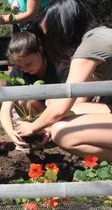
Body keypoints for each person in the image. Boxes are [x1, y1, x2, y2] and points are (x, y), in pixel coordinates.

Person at [15, 0, 112, 161]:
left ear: (64, 28)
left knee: (63, 133)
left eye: (49, 35)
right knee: (53, 106)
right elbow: (76, 100)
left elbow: (63, 106)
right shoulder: (101, 35)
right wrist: (47, 126)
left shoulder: (91, 46)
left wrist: (33, 126)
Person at [0, 31, 68, 151]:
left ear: (40, 50)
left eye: (29, 63)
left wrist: (49, 128)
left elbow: (69, 104)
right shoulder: (17, 73)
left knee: (52, 101)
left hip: (61, 113)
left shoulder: (59, 66)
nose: (25, 69)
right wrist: (10, 132)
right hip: (36, 115)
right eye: (19, 66)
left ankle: (48, 130)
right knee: (22, 100)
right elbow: (5, 109)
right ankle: (36, 134)